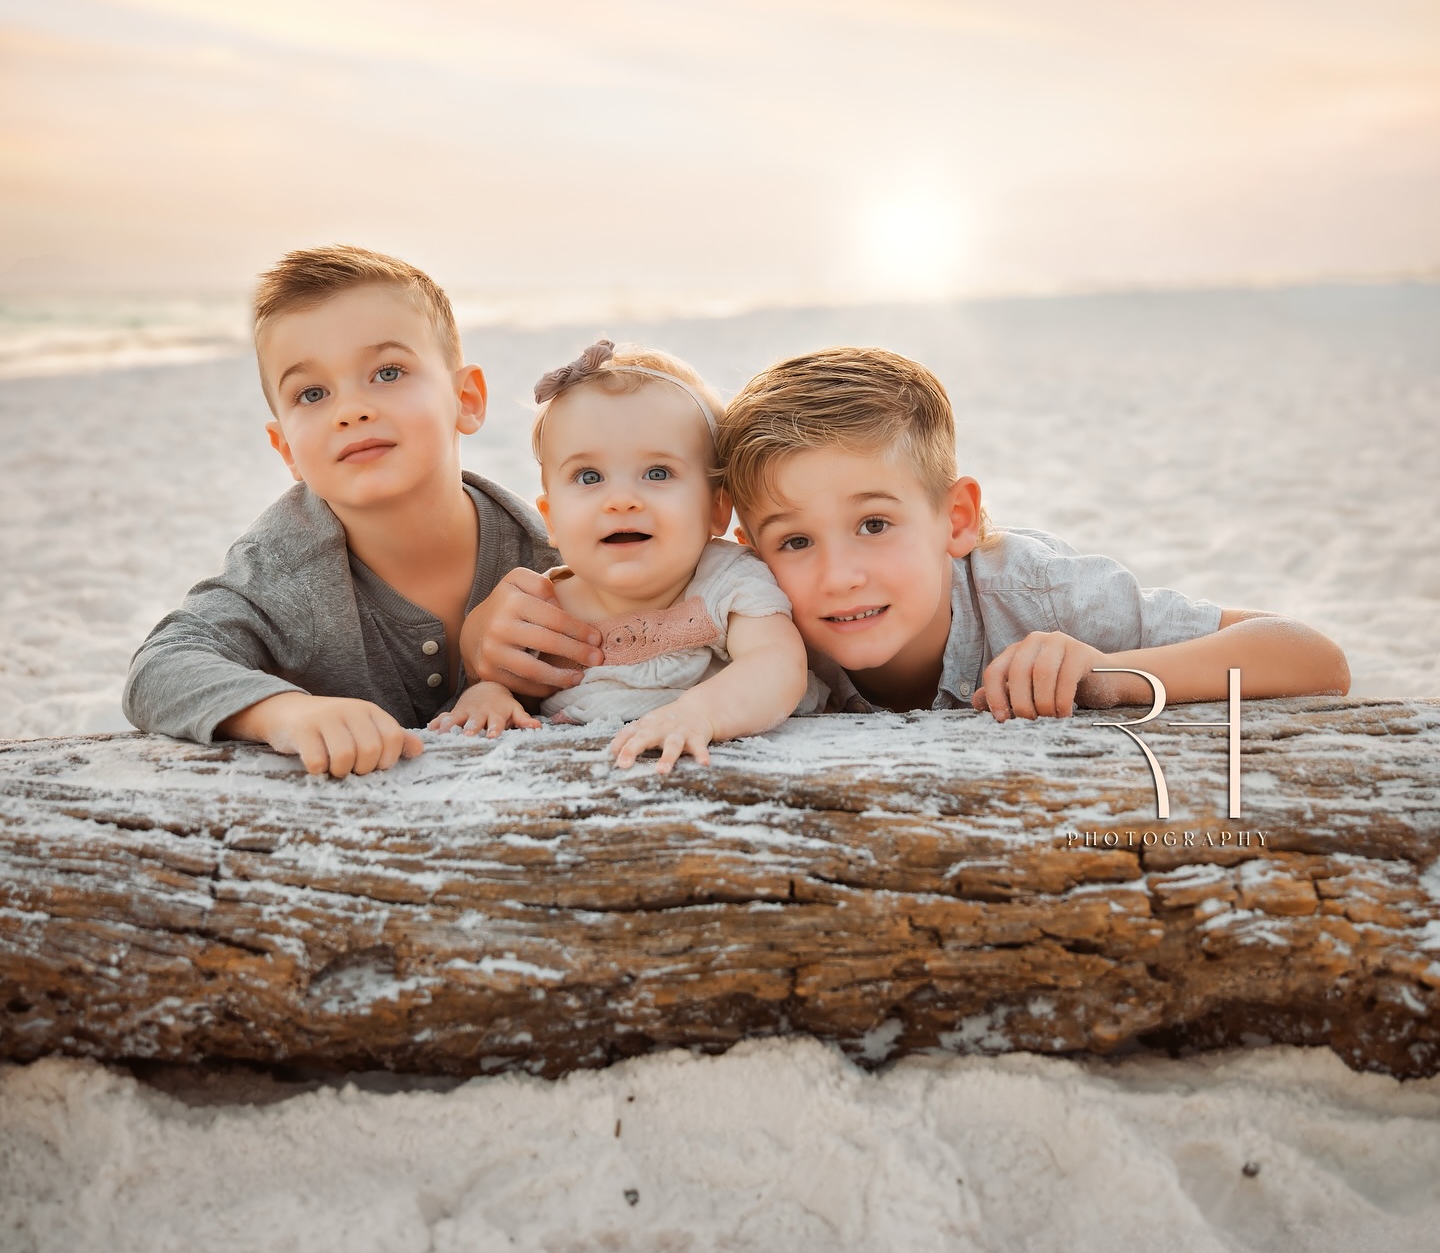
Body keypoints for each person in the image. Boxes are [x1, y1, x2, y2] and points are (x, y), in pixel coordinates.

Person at [467, 346, 1348, 721]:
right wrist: (486, 647)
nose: (841, 574)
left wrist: (1115, 676)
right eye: (796, 541)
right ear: (734, 535)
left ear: (955, 518)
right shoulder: (742, 607)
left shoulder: (1028, 592)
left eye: (876, 523)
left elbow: (1309, 654)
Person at [122, 245, 557, 778]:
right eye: (311, 393)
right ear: (287, 451)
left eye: (388, 372)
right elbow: (158, 669)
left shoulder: (547, 553)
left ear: (465, 399)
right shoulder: (285, 571)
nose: (351, 410)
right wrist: (286, 712)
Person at [432, 341, 812, 773]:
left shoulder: (727, 581)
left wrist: (700, 714)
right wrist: (489, 697)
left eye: (657, 473)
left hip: (722, 774)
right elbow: (507, 685)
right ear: (551, 519)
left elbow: (777, 664)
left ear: (716, 508)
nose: (622, 500)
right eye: (589, 476)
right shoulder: (544, 612)